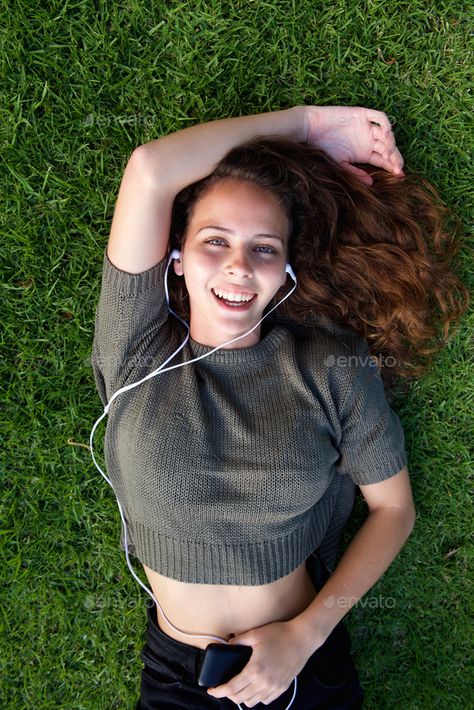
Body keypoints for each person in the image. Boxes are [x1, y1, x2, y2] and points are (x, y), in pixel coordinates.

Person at [90, 105, 468, 709]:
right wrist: (310, 125)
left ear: (285, 271)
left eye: (264, 248)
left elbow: (394, 509)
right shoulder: (136, 350)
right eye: (215, 241)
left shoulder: (329, 366)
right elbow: (149, 170)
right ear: (177, 258)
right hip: (178, 680)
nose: (239, 265)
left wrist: (304, 637)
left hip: (302, 664)